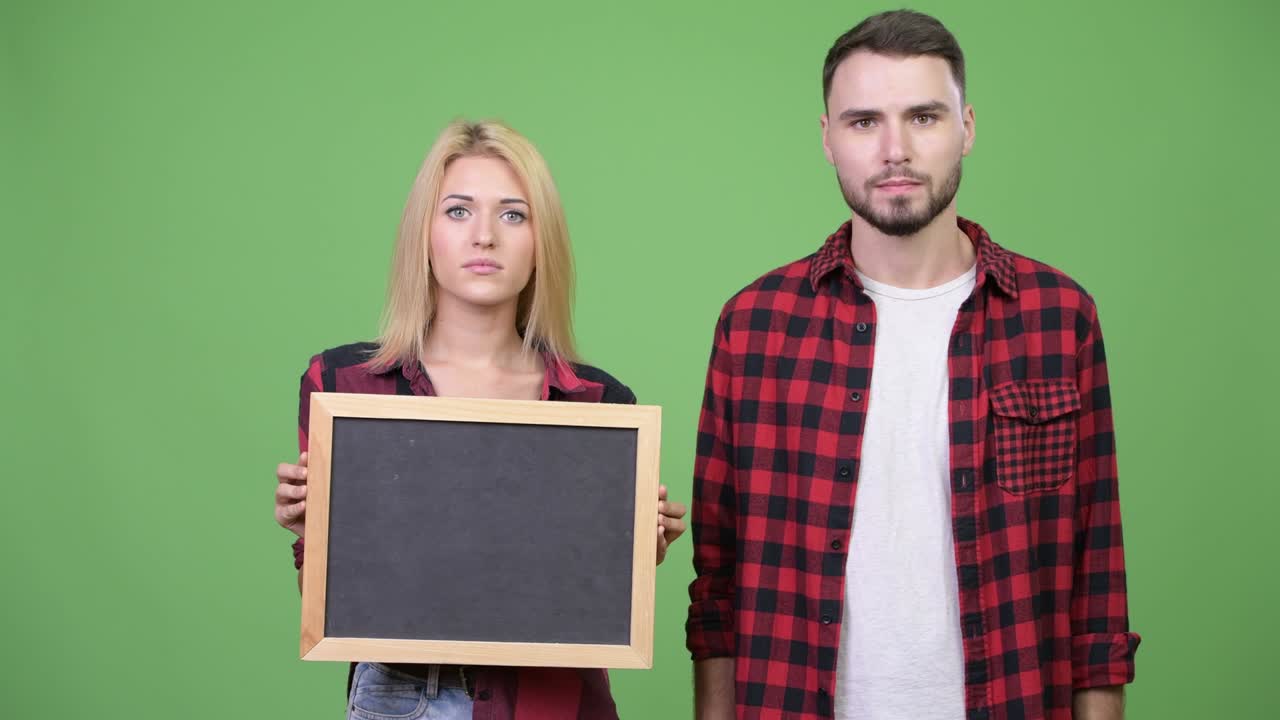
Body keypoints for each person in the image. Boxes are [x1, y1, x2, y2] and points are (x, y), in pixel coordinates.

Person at [686, 10, 1139, 720]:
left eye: (923, 117)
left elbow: (1097, 584)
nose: (895, 149)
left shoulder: (1058, 317)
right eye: (864, 121)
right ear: (828, 140)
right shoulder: (754, 326)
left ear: (967, 127)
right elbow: (717, 589)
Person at [273, 119, 687, 720]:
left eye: (513, 215)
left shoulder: (598, 405)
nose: (485, 236)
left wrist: (627, 553)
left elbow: (590, 602)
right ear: (425, 233)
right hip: (400, 696)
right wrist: (313, 530)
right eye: (459, 211)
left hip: (554, 700)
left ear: (541, 242)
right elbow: (340, 602)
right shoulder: (345, 386)